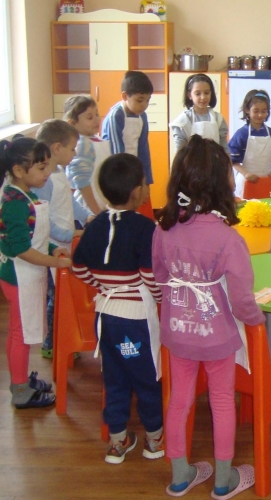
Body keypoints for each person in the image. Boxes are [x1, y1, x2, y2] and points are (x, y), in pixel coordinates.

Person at [153, 135, 264, 498]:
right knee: (221, 401)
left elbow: (160, 277)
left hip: (177, 331)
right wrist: (257, 320)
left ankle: (179, 476)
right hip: (218, 336)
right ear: (220, 185)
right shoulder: (228, 239)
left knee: (179, 399)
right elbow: (242, 300)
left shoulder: (163, 228)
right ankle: (222, 480)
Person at [71, 154, 164, 464]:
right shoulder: (146, 227)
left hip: (105, 317)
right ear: (137, 192)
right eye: (145, 184)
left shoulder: (95, 224)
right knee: (147, 378)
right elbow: (149, 275)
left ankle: (117, 442)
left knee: (115, 380)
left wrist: (102, 286)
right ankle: (154, 440)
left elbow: (78, 267)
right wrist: (161, 299)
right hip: (136, 319)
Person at [0, 135, 69, 409]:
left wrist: (53, 249)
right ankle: (21, 390)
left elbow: (35, 237)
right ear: (19, 170)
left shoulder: (27, 194)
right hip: (18, 277)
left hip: (28, 274)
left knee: (21, 332)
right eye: (41, 167)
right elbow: (21, 249)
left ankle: (21, 380)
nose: (47, 172)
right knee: (21, 335)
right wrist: (54, 263)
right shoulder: (15, 204)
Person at [33, 119, 92, 359]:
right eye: (72, 148)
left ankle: (64, 337)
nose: (75, 153)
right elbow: (44, 221)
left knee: (63, 295)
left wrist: (87, 216)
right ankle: (52, 343)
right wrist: (71, 234)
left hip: (64, 245)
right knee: (55, 298)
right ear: (57, 148)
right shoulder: (44, 181)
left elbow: (70, 202)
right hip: (52, 248)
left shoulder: (58, 173)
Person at [101, 71, 155, 215]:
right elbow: (116, 155)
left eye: (148, 101)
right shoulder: (115, 116)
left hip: (135, 174)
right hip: (119, 176)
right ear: (125, 96)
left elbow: (143, 150)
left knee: (143, 216)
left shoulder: (142, 117)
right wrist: (128, 183)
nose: (144, 105)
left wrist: (146, 182)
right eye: (140, 100)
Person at [228, 89, 271, 197]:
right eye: (256, 111)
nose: (260, 115)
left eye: (264, 111)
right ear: (247, 110)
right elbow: (232, 160)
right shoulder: (241, 134)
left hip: (268, 181)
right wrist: (246, 173)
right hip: (247, 181)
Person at [65, 95, 110, 215]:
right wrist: (96, 212)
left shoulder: (95, 139)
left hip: (102, 205)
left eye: (97, 114)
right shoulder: (82, 145)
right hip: (89, 209)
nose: (96, 120)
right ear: (72, 123)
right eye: (90, 117)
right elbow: (82, 183)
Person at [169, 73, 228, 156]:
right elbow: (179, 153)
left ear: (211, 93)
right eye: (197, 94)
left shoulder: (218, 119)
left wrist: (228, 162)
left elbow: (224, 148)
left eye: (206, 93)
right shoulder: (183, 121)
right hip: (190, 164)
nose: (203, 97)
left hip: (215, 163)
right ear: (189, 95)